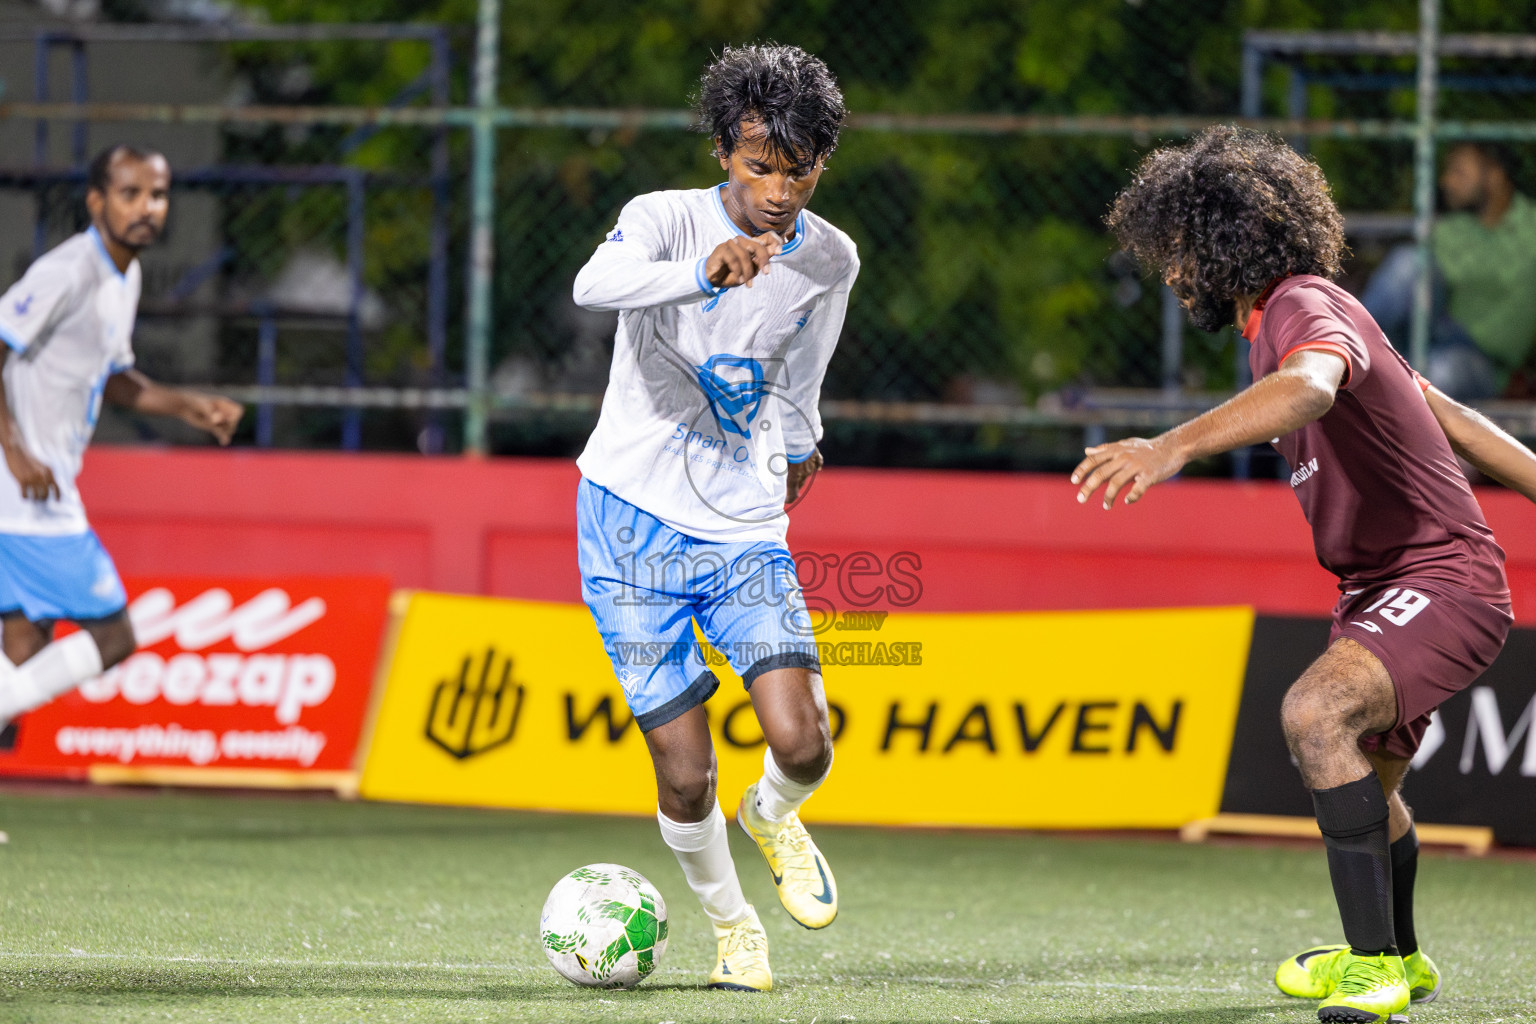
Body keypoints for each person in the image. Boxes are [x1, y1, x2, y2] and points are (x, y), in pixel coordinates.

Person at [1078, 126, 1536, 1023]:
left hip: (1439, 580)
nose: (1173, 278)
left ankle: (1373, 972)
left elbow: (1314, 388)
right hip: (1381, 589)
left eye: (1178, 255)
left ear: (1223, 244)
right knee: (1365, 779)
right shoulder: (1305, 319)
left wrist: (1169, 446)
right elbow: (1452, 420)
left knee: (1314, 713)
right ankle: (1398, 956)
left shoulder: (1299, 307)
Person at [570, 44, 857, 992]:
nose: (777, 189)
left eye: (798, 168)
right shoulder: (661, 220)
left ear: (822, 163)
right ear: (722, 154)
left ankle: (773, 812)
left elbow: (805, 358)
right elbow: (592, 288)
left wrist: (806, 438)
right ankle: (734, 929)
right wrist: (703, 270)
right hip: (626, 519)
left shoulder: (830, 255)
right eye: (757, 164)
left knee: (804, 739)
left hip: (740, 522)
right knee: (685, 773)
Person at [0, 144, 243, 723]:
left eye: (157, 195)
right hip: (26, 495)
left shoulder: (122, 276)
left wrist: (187, 407)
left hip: (30, 490)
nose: (147, 208)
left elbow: (110, 376)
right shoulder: (69, 271)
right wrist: (14, 448)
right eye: (130, 194)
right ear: (96, 201)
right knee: (114, 637)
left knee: (22, 646)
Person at [1360, 142, 1536, 400]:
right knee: (1408, 262)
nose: (1446, 182)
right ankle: (1344, 347)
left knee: (1435, 374)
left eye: (1459, 172)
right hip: (1431, 331)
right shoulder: (1450, 228)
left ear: (1495, 176)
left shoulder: (1530, 228)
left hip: (1480, 359)